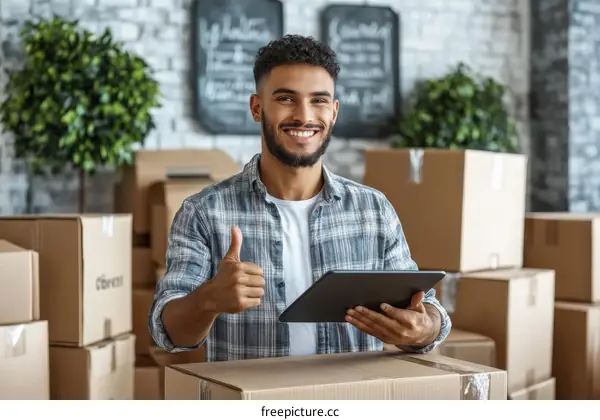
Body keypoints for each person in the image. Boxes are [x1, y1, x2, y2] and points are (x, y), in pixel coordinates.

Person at [148, 34, 451, 361]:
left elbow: (426, 308)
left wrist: (423, 329)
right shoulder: (203, 213)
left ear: (334, 112)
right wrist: (207, 300)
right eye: (286, 99)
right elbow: (169, 333)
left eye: (319, 100)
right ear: (256, 107)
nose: (304, 116)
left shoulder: (374, 210)